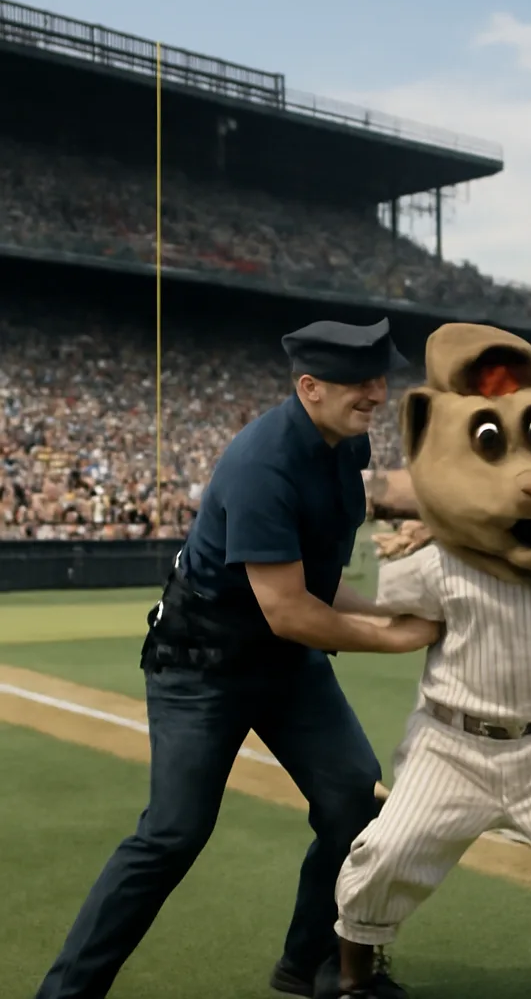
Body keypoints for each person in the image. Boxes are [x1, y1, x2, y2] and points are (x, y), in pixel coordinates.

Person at [34, 318, 439, 999]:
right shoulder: (263, 463)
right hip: (203, 666)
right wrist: (402, 636)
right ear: (309, 387)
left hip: (283, 665)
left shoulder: (344, 443)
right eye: (359, 382)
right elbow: (289, 608)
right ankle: (65, 994)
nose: (377, 392)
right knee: (173, 834)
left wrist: (383, 609)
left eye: (380, 378)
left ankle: (309, 962)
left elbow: (319, 577)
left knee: (350, 798)